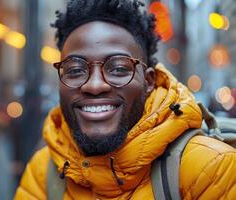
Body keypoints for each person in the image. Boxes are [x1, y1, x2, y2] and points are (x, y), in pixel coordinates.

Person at [15, 0, 236, 199]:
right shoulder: (43, 171)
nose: (94, 85)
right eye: (75, 70)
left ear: (148, 81)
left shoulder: (211, 168)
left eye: (119, 69)